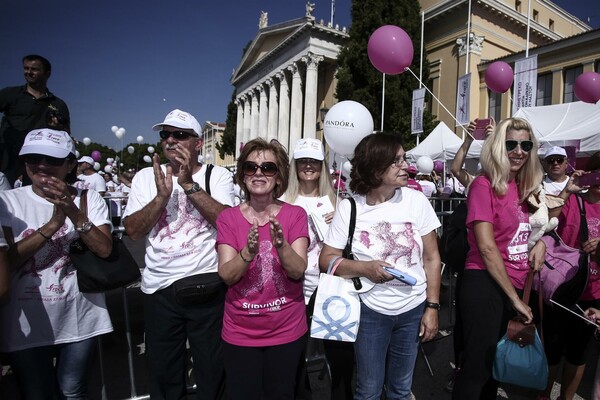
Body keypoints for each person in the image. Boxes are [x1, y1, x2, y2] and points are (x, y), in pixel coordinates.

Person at [319, 133, 442, 400]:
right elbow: (326, 259)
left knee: (400, 389)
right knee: (368, 390)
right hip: (370, 311)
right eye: (396, 161)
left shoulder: (416, 201)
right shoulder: (350, 208)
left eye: (404, 159)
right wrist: (365, 268)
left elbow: (432, 258)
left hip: (413, 309)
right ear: (376, 168)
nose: (405, 166)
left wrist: (432, 306)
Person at [122, 109, 234, 399]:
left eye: (180, 135)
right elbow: (132, 231)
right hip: (159, 289)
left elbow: (228, 223)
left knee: (213, 371)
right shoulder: (146, 177)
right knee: (164, 374)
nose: (171, 140)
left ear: (198, 143)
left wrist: (187, 185)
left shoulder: (217, 174)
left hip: (206, 285)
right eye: (165, 135)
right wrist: (161, 196)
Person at [0, 128, 113, 399]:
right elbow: (8, 263)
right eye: (33, 158)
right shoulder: (7, 202)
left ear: (70, 164)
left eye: (52, 160)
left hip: (80, 316)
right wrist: (51, 226)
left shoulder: (88, 197)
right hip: (26, 322)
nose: (42, 166)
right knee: (37, 393)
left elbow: (105, 248)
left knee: (72, 390)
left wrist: (71, 210)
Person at [452, 118, 547, 400]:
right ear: (497, 147)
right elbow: (487, 248)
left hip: (514, 284)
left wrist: (540, 243)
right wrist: (514, 299)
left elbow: (529, 231)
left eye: (525, 145)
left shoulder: (524, 187)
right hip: (485, 284)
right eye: (511, 144)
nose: (518, 151)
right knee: (476, 372)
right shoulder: (483, 185)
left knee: (495, 371)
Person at [216, 138, 309, 400]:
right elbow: (227, 275)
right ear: (242, 175)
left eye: (268, 167)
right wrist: (247, 253)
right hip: (240, 333)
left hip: (286, 331)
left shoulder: (295, 215)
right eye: (250, 167)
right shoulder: (228, 218)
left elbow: (297, 270)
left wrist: (281, 246)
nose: (258, 173)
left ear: (279, 177)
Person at [282, 138, 346, 399]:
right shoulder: (283, 199)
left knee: (338, 355)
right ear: (295, 165)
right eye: (303, 161)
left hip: (329, 286)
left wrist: (340, 220)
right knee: (294, 355)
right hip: (293, 285)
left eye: (314, 161)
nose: (308, 166)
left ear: (323, 165)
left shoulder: (337, 201)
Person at [538, 152, 600, 400]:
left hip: (594, 292)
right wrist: (568, 191)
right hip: (565, 287)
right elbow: (547, 224)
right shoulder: (574, 201)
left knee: (578, 353)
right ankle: (543, 395)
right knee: (552, 350)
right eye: (597, 172)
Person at [0, 55, 70, 185]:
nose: (28, 72)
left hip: (38, 160)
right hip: (8, 156)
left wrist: (57, 128)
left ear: (47, 74)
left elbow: (66, 135)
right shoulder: (9, 94)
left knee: (34, 196)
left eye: (34, 69)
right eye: (26, 68)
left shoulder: (58, 104)